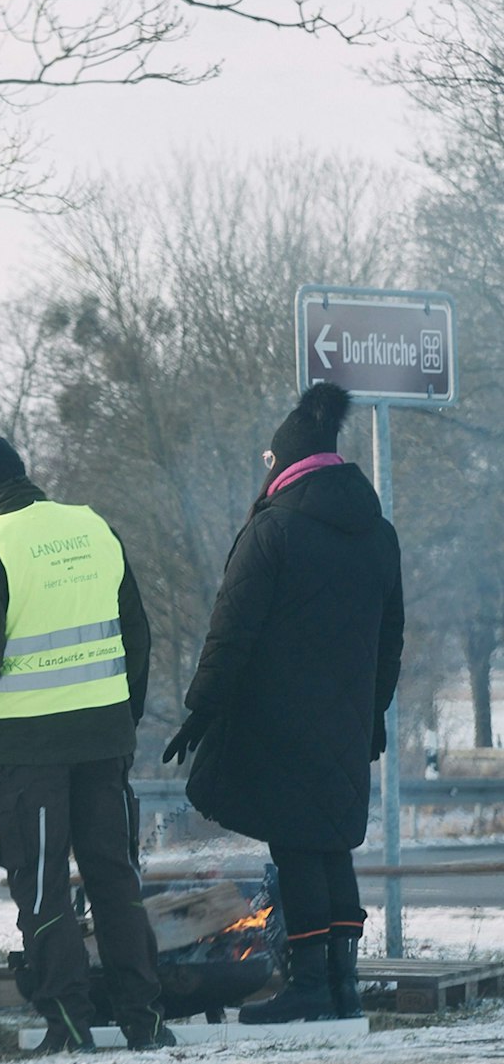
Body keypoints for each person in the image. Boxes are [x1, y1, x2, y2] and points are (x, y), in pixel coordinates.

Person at [0, 431, 174, 1053]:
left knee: (42, 885)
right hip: (105, 739)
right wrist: (124, 715)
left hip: (28, 748)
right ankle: (144, 1019)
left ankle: (67, 1021)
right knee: (114, 877)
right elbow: (136, 634)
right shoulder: (95, 528)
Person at [167, 382, 404, 1023]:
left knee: (298, 845)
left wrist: (202, 707)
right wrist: (374, 714)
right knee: (330, 844)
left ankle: (308, 987)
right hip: (348, 718)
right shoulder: (378, 534)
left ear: (284, 464)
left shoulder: (274, 531)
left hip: (283, 717)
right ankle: (343, 985)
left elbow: (230, 628)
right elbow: (391, 640)